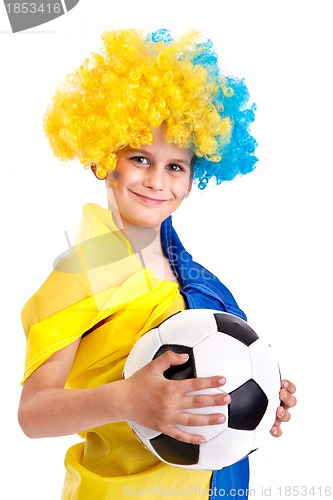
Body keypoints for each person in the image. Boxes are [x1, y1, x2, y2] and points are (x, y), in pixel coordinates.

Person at [18, 28, 297, 500]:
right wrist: (123, 399)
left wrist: (257, 392)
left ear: (193, 180)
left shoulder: (195, 279)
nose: (155, 180)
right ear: (103, 160)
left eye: (175, 166)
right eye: (140, 158)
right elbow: (33, 413)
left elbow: (206, 364)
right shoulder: (81, 274)